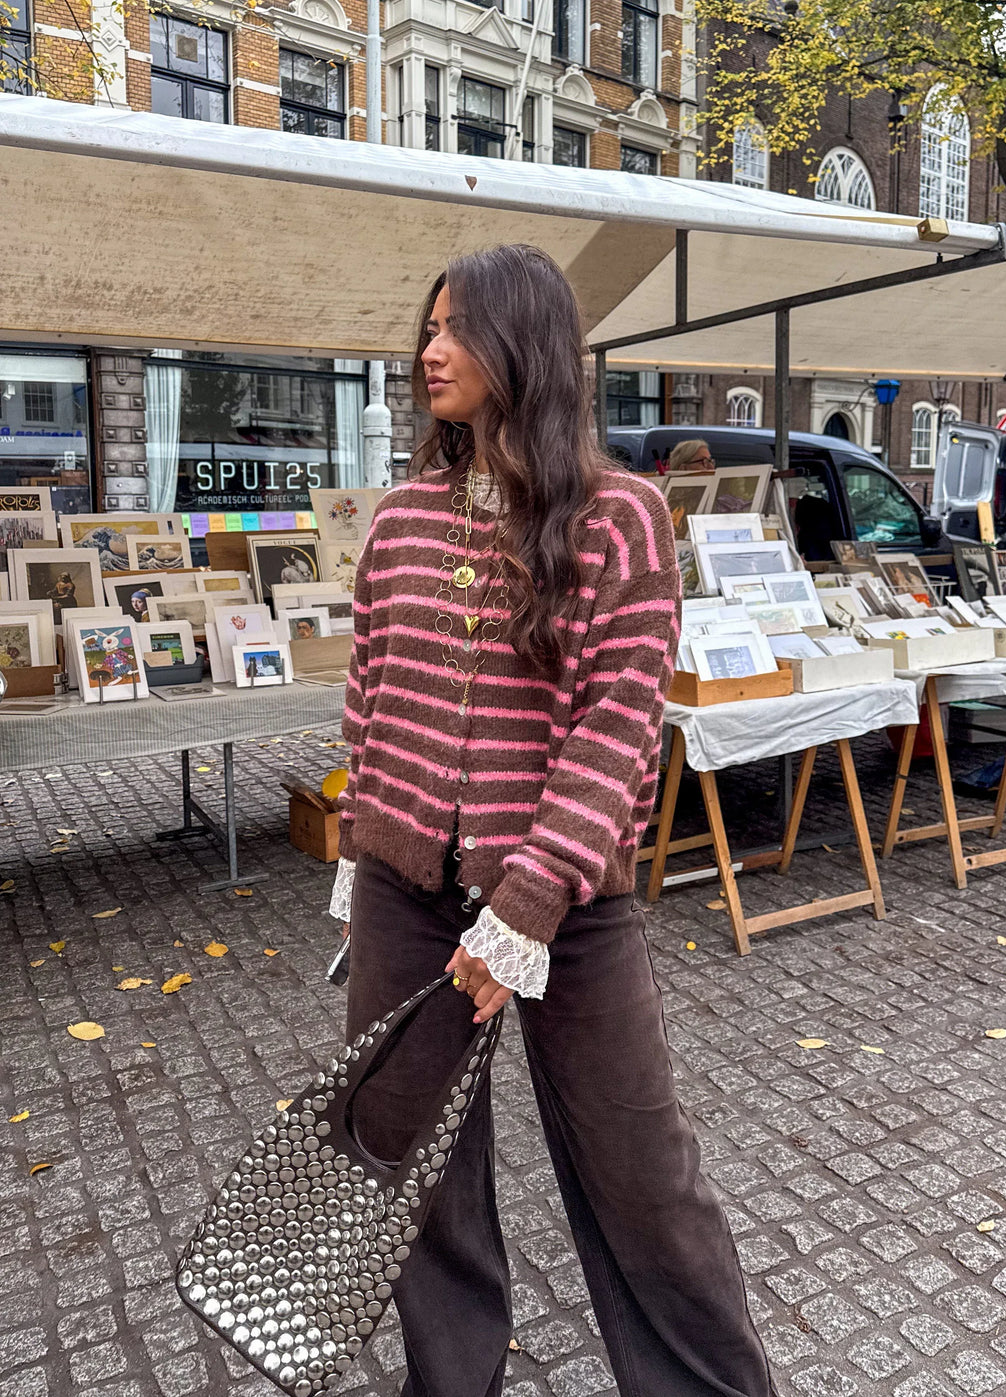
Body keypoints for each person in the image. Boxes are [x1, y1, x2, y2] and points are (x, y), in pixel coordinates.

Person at [329, 244, 774, 1397]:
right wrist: (360, 838)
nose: (428, 351)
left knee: (643, 1172)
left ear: (523, 346)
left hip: (568, 907)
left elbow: (615, 728)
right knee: (413, 1165)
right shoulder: (401, 520)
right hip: (406, 893)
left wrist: (523, 904)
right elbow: (368, 694)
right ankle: (453, 1378)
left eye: (456, 330)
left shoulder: (618, 519)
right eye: (425, 328)